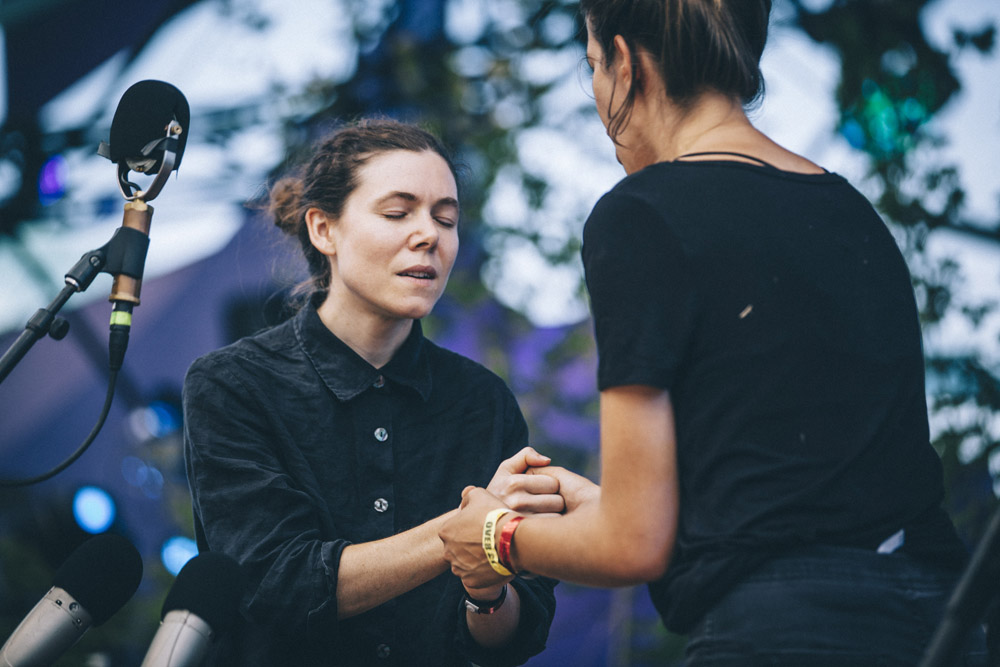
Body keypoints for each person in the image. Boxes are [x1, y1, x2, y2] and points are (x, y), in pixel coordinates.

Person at [439, 1, 988, 664]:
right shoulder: (850, 211)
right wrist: (610, 502)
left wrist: (493, 535)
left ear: (627, 63)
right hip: (939, 626)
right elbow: (805, 492)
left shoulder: (640, 215)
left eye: (593, 67)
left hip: (778, 636)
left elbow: (631, 544)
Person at [182, 118, 559, 666]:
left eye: (446, 218)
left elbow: (516, 639)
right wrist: (474, 530)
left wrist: (486, 590)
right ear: (323, 230)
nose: (429, 234)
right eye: (397, 213)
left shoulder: (483, 401)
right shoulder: (232, 385)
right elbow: (276, 585)